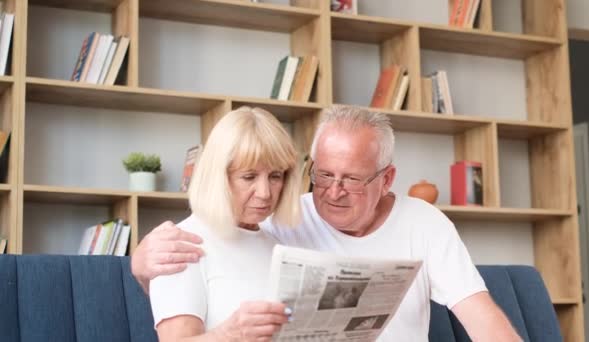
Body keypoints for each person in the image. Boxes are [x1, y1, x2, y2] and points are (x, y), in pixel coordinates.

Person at [133, 105, 522, 341]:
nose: (333, 192)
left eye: (352, 179)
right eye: (323, 175)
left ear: (386, 179)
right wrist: (139, 266)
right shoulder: (282, 222)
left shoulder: (423, 223)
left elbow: (483, 319)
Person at [148, 106, 302, 341]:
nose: (264, 193)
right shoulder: (181, 245)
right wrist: (229, 334)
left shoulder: (278, 245)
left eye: (275, 176)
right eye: (249, 177)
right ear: (218, 177)